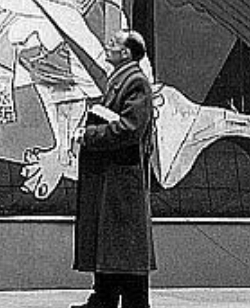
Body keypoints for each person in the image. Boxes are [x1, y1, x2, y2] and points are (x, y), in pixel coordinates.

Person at [72, 30, 155, 308]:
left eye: (114, 43)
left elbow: (130, 128)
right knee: (113, 246)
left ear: (127, 52)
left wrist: (90, 135)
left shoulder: (135, 82)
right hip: (113, 177)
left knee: (123, 248)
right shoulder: (121, 80)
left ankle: (115, 300)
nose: (108, 45)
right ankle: (103, 297)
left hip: (122, 179)